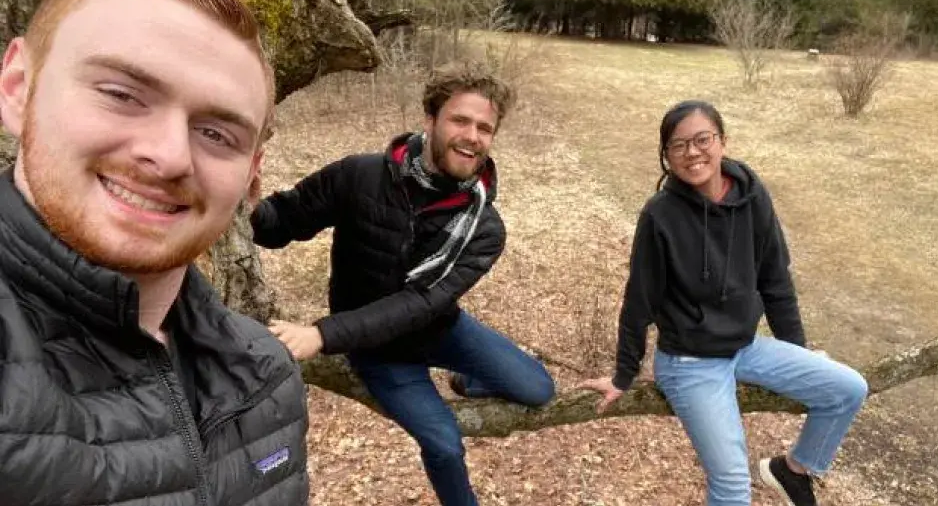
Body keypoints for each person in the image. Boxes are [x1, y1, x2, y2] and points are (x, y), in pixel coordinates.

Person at [0, 0, 310, 504]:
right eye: (122, 94)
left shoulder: (267, 376)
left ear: (252, 175)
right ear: (18, 89)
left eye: (216, 132)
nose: (169, 157)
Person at [251, 61, 556, 506]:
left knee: (538, 389)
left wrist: (320, 334)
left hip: (438, 328)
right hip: (378, 350)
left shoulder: (483, 228)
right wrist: (250, 208)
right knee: (446, 444)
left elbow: (420, 304)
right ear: (430, 120)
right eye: (460, 120)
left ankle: (466, 380)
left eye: (485, 128)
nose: (473, 136)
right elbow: (282, 224)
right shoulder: (360, 176)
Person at [579, 100, 869, 506]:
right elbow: (639, 299)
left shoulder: (752, 196)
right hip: (689, 362)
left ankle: (795, 469)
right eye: (678, 146)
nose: (692, 152)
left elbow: (775, 279)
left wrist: (796, 350)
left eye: (702, 140)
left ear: (722, 141)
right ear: (666, 156)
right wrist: (623, 374)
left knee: (847, 389)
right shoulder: (660, 214)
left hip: (744, 347)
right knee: (732, 486)